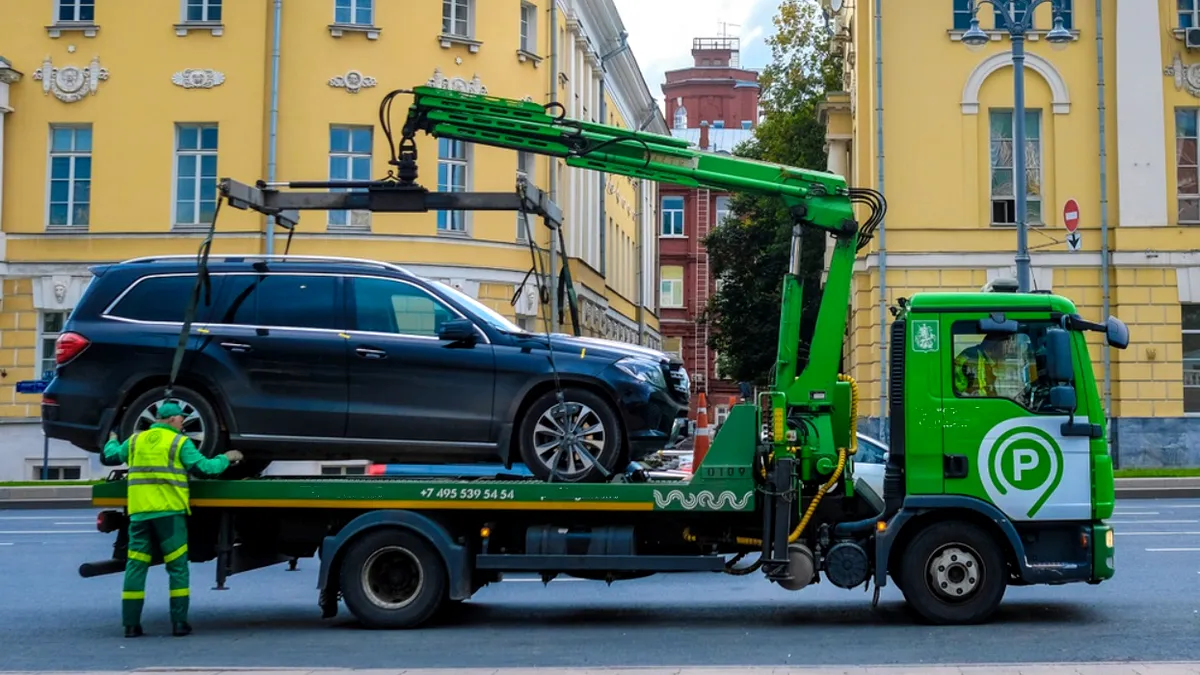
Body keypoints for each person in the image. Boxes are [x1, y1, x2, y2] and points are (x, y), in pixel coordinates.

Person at [101, 401, 243, 638]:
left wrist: (113, 438)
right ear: (172, 420)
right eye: (181, 420)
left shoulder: (136, 440)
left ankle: (131, 625)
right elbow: (206, 468)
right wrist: (227, 458)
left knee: (136, 567)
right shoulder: (179, 443)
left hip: (140, 514)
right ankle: (179, 623)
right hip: (169, 514)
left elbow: (111, 455)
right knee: (177, 568)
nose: (183, 424)